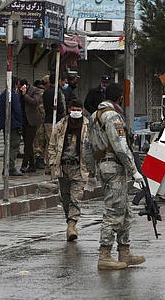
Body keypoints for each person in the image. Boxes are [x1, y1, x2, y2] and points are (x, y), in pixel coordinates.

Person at [83, 83, 145, 270]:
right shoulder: (113, 116)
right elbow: (120, 146)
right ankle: (105, 255)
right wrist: (134, 170)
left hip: (104, 166)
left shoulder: (94, 116)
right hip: (114, 167)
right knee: (113, 211)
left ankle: (124, 251)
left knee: (125, 209)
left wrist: (92, 171)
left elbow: (87, 147)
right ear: (119, 98)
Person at [48, 99, 89, 242]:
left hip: (79, 167)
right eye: (74, 109)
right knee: (65, 198)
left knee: (75, 197)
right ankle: (69, 221)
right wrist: (52, 163)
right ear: (69, 110)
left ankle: (72, 226)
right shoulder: (60, 126)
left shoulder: (87, 126)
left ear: (82, 111)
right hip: (63, 167)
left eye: (79, 109)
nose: (76, 112)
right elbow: (52, 146)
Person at [0, 77, 23, 176]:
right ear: (16, 84)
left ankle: (6, 167)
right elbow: (17, 111)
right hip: (13, 125)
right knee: (13, 146)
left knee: (7, 146)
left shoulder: (2, 95)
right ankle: (11, 167)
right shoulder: (13, 95)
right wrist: (20, 123)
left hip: (5, 124)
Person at [42, 73, 67, 174]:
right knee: (55, 144)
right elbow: (60, 107)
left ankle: (48, 166)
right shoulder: (56, 92)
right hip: (55, 120)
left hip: (48, 120)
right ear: (58, 81)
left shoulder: (46, 92)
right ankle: (53, 166)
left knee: (49, 144)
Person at [20, 78, 43, 173]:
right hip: (23, 121)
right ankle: (32, 164)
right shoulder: (19, 91)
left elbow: (35, 102)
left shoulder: (35, 90)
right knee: (27, 143)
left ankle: (25, 164)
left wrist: (25, 95)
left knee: (28, 144)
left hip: (32, 121)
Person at [33, 76, 49, 169]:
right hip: (40, 119)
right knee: (39, 139)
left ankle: (39, 158)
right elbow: (41, 107)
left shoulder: (39, 91)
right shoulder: (41, 92)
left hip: (41, 119)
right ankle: (38, 159)